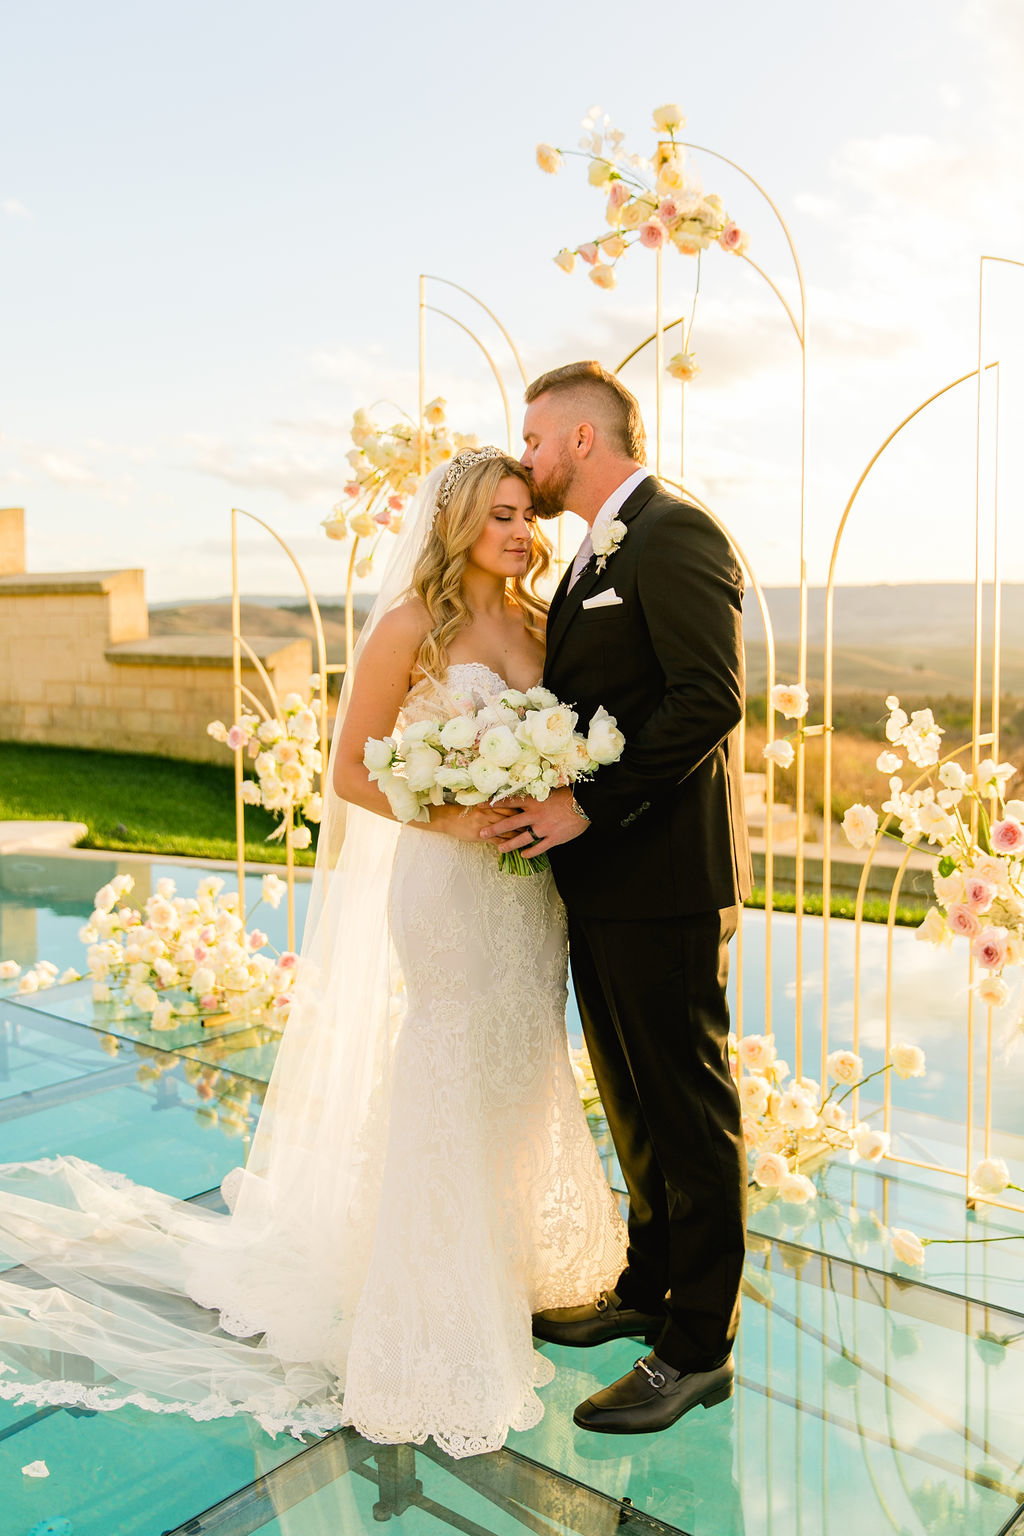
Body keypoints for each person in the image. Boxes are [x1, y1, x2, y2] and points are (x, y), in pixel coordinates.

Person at [0, 447, 625, 1460]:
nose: (521, 531)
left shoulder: (541, 621)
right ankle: (427, 1321)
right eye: (501, 514)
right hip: (448, 885)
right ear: (458, 521)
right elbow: (349, 773)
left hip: (528, 895)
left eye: (528, 515)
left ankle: (501, 1259)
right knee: (448, 1061)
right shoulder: (411, 628)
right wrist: (456, 815)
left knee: (517, 1058)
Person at [483, 361, 751, 1435]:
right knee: (632, 1100)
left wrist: (592, 805)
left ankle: (697, 1348)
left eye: (537, 440)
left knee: (687, 1107)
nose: (530, 458)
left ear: (583, 440)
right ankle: (648, 1291)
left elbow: (708, 700)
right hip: (602, 880)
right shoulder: (596, 547)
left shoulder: (677, 532)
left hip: (663, 874)